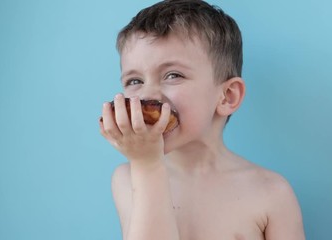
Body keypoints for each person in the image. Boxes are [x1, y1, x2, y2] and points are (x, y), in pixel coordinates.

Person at [99, 0, 305, 239]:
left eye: (173, 75)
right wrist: (147, 166)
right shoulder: (129, 178)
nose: (147, 95)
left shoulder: (272, 193)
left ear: (227, 96)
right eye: (135, 81)